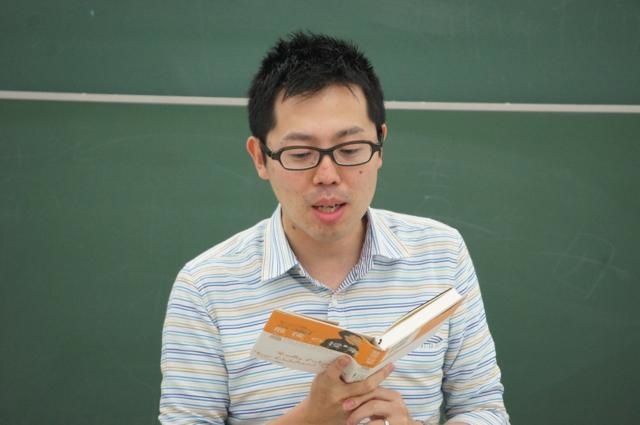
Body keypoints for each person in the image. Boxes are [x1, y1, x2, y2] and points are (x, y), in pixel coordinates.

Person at [159, 32, 509, 425]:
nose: (327, 175)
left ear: (380, 144)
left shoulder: (441, 255)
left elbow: (484, 409)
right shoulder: (205, 286)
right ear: (260, 157)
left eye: (350, 150)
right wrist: (310, 419)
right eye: (300, 154)